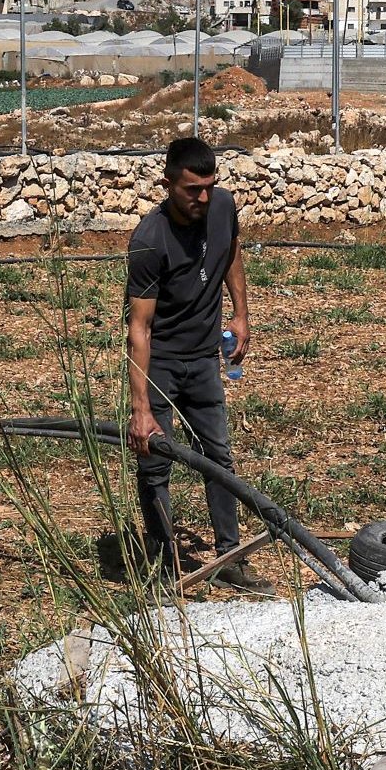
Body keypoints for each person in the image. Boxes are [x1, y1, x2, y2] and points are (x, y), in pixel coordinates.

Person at [124, 136, 268, 592]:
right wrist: (141, 408)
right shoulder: (149, 240)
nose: (202, 198)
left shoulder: (222, 207)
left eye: (209, 186)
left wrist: (241, 313)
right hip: (162, 363)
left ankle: (230, 558)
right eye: (192, 189)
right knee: (155, 463)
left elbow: (232, 250)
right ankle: (164, 569)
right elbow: (139, 330)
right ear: (166, 183)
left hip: (205, 359)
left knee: (218, 459)